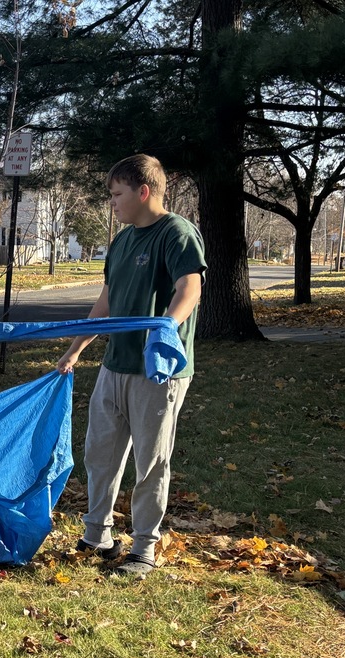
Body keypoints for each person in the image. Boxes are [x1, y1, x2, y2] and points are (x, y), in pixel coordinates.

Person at [56, 154, 206, 578]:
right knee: (99, 454)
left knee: (150, 460)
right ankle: (97, 534)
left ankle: (144, 548)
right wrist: (76, 349)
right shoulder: (121, 241)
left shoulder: (176, 233)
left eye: (117, 194)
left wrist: (166, 328)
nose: (112, 203)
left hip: (157, 371)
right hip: (115, 364)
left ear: (143, 192)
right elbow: (105, 304)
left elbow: (190, 286)